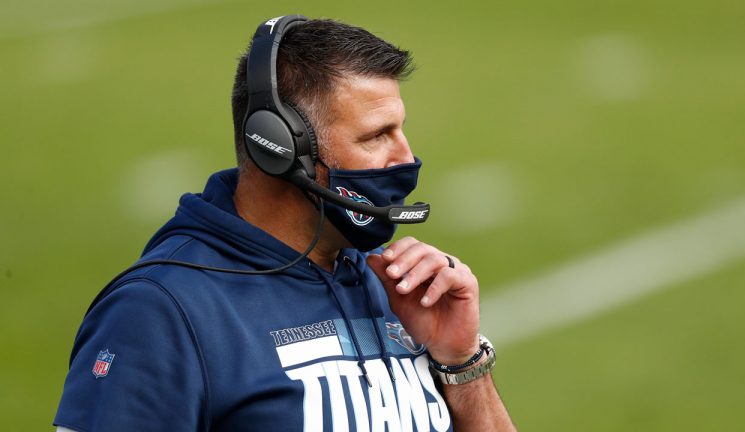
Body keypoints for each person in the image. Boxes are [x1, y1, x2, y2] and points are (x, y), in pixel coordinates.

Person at [54, 15, 516, 432]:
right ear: (279, 147)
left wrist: (462, 364)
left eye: (400, 130)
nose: (406, 157)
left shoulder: (396, 288)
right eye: (377, 135)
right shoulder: (160, 312)